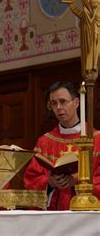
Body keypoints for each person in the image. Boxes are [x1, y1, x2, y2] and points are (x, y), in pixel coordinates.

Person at [24, 81, 100, 210]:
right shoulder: (44, 142)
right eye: (54, 103)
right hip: (53, 216)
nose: (58, 107)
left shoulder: (96, 139)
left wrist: (77, 180)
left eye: (63, 101)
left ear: (76, 102)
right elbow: (31, 178)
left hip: (87, 214)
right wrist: (49, 182)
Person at [57, 0, 100, 78]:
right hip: (91, 22)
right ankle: (92, 65)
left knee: (97, 43)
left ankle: (94, 64)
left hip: (98, 20)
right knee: (92, 43)